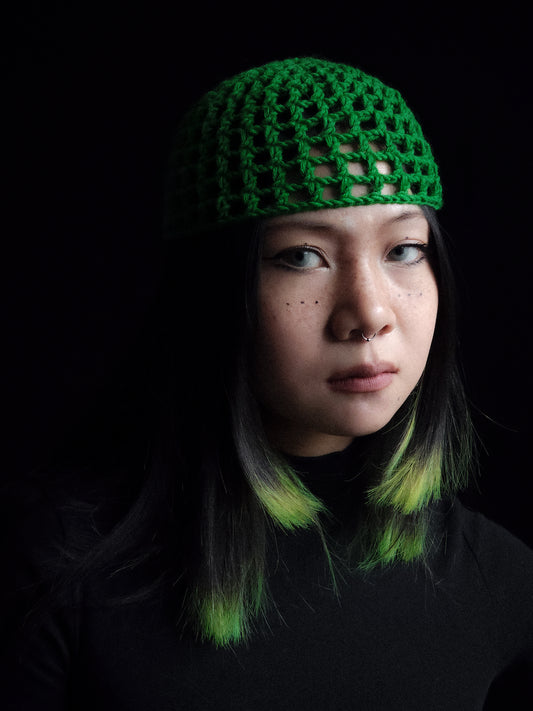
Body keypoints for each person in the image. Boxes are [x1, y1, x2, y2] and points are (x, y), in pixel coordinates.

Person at [2, 56, 532, 709]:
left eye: (402, 250)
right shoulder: (54, 568)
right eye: (302, 256)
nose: (368, 312)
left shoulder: (498, 582)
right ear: (210, 289)